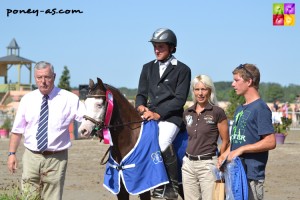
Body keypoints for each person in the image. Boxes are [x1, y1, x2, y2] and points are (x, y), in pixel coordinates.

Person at [7, 61, 86, 200]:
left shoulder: (70, 99)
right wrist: (11, 154)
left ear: (54, 76)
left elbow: (87, 119)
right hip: (31, 157)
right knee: (28, 196)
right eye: (39, 78)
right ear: (35, 78)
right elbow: (17, 130)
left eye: (47, 77)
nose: (43, 81)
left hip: (56, 158)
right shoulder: (27, 99)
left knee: (52, 197)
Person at [135, 28, 191, 199]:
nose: (157, 50)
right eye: (155, 47)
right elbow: (141, 94)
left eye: (161, 47)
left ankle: (171, 186)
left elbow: (179, 99)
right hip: (149, 114)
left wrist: (157, 114)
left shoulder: (183, 70)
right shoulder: (147, 68)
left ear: (172, 48)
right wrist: (140, 107)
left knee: (161, 142)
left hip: (171, 117)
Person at [218, 63, 276, 200]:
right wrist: (225, 155)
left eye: (237, 80)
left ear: (249, 81)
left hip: (251, 176)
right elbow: (239, 140)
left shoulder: (260, 108)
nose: (233, 84)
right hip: (236, 174)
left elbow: (270, 141)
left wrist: (241, 150)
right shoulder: (240, 109)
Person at [182, 75, 230, 200]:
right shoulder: (188, 112)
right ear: (193, 91)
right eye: (197, 89)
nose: (200, 93)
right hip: (188, 165)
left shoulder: (217, 112)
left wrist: (221, 160)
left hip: (208, 165)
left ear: (210, 91)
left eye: (204, 89)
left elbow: (226, 140)